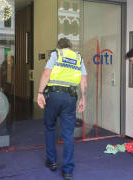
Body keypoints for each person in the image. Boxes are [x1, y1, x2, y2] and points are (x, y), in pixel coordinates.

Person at [37, 38, 87, 180]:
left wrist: (40, 93)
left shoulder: (56, 54)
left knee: (50, 127)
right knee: (68, 133)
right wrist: (83, 98)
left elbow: (46, 73)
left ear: (58, 47)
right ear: (70, 47)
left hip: (53, 96)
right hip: (70, 98)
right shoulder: (78, 58)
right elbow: (83, 80)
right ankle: (68, 170)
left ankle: (52, 162)